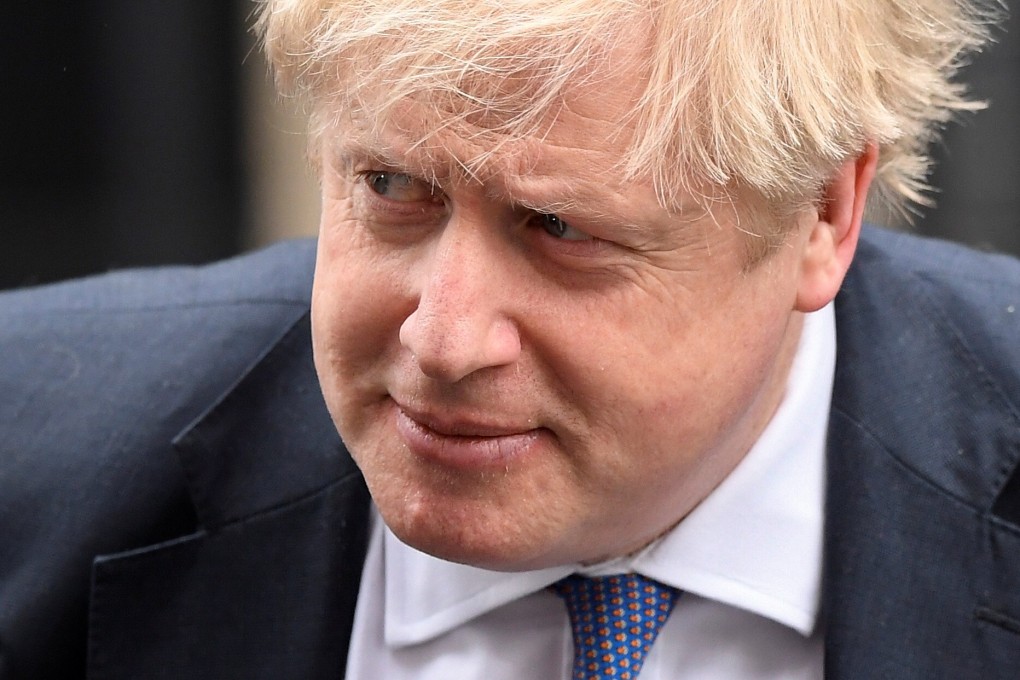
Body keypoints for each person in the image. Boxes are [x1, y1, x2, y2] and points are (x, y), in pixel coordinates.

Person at [1, 0, 1018, 678]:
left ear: (823, 215)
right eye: (394, 188)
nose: (442, 339)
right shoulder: (32, 454)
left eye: (560, 230)